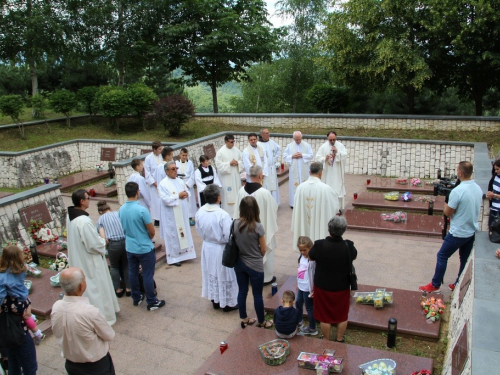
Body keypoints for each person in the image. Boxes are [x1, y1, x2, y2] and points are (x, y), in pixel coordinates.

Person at [419, 161, 483, 293]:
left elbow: (448, 212)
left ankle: (435, 284)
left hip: (458, 232)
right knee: (464, 259)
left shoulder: (458, 191)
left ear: (460, 172)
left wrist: (444, 203)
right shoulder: (477, 188)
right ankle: (458, 282)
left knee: (442, 255)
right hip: (471, 231)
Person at [67, 189, 119, 325]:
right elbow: (93, 244)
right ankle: (104, 317)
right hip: (90, 262)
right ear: (82, 201)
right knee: (97, 288)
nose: (90, 199)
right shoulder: (83, 221)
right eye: (87, 198)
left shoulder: (70, 216)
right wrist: (103, 240)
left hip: (80, 258)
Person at [51, 267, 116, 375]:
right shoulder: (90, 312)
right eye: (84, 280)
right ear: (81, 286)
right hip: (96, 367)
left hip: (71, 365)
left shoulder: (56, 307)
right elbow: (109, 335)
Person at [308, 216, 357, 342]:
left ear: (329, 229)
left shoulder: (319, 245)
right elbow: (354, 256)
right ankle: (339, 339)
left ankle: (326, 339)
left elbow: (311, 256)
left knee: (325, 316)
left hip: (323, 286)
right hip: (342, 286)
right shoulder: (348, 246)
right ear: (344, 230)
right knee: (342, 315)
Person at [119, 182, 165, 311]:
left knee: (133, 273)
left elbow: (123, 227)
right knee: (147, 275)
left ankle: (136, 296)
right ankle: (151, 301)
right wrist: (148, 239)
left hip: (130, 246)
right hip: (144, 247)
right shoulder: (141, 210)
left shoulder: (121, 209)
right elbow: (151, 231)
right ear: (137, 192)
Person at [195, 184, 238, 312]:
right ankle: (227, 303)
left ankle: (215, 300)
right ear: (219, 198)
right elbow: (228, 235)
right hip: (220, 249)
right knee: (224, 274)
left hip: (207, 247)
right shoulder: (222, 215)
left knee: (212, 273)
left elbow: (198, 230)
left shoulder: (200, 211)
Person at [233, 165, 278, 285]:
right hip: (260, 231)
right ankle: (265, 277)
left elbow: (236, 211)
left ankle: (247, 274)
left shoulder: (241, 191)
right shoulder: (265, 193)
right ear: (260, 176)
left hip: (244, 231)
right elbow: (274, 209)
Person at [233, 196, 273, 329]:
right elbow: (263, 248)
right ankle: (261, 321)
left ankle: (244, 318)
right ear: (256, 209)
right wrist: (258, 255)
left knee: (242, 292)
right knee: (257, 295)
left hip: (239, 263)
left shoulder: (234, 223)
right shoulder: (258, 227)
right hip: (255, 264)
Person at [0, 247, 37, 374]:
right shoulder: (20, 271)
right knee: (30, 366)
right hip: (18, 330)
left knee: (13, 363)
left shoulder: (2, 277)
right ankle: (37, 333)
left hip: (8, 330)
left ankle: (37, 332)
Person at [0, 245, 45, 345]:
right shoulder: (21, 269)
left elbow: (1, 294)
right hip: (23, 298)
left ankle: (37, 333)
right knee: (27, 313)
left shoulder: (3, 277)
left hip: (15, 301)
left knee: (25, 316)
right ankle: (33, 318)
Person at [291, 162, 339, 253]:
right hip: (319, 227)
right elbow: (335, 208)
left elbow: (296, 208)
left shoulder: (300, 188)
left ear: (309, 172)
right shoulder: (326, 189)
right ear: (321, 173)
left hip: (303, 227)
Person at [159, 161, 196, 266]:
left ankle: (186, 254)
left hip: (182, 214)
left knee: (184, 232)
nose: (176, 171)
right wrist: (178, 196)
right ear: (166, 172)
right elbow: (165, 199)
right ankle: (175, 257)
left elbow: (186, 191)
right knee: (174, 234)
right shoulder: (163, 184)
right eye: (173, 169)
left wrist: (185, 194)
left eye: (176, 168)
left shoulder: (180, 181)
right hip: (172, 215)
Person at [96, 200, 130, 298]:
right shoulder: (118, 213)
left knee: (114, 267)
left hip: (113, 245)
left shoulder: (100, 220)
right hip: (125, 242)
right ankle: (129, 288)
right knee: (126, 265)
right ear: (109, 208)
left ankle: (118, 290)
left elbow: (104, 238)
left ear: (100, 212)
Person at [316, 131, 348, 210]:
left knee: (337, 188)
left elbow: (344, 155)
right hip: (328, 173)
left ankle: (337, 208)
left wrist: (337, 153)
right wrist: (325, 158)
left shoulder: (340, 146)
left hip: (337, 172)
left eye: (334, 139)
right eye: (331, 140)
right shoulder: (323, 147)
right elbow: (317, 157)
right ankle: (327, 207)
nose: (333, 141)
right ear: (327, 138)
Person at [283, 131, 313, 208]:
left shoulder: (306, 145)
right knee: (294, 186)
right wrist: (292, 156)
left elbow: (311, 155)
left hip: (304, 170)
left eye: (299, 139)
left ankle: (305, 203)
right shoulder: (289, 146)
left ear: (301, 138)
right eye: (296, 139)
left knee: (305, 185)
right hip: (294, 171)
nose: (298, 141)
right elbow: (285, 156)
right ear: (293, 138)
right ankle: (294, 204)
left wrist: (302, 155)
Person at [215, 134, 243, 216]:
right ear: (226, 142)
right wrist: (229, 164)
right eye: (231, 142)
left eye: (233, 141)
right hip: (226, 179)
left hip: (236, 178)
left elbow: (242, 161)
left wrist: (238, 163)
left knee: (237, 195)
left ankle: (238, 213)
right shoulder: (220, 152)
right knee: (228, 197)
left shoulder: (237, 150)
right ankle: (227, 215)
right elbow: (218, 165)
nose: (233, 143)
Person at [295, 236, 317, 336]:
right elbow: (300, 271)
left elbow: (314, 274)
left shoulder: (312, 260)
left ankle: (312, 327)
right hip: (301, 286)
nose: (303, 252)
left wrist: (313, 289)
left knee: (309, 307)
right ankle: (299, 321)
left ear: (310, 248)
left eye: (305, 250)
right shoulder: (301, 257)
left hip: (308, 288)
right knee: (298, 303)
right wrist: (298, 283)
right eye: (301, 250)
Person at [258, 128, 281, 204]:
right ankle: (267, 203)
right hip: (265, 169)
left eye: (268, 133)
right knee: (266, 185)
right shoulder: (258, 145)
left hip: (272, 168)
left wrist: (275, 159)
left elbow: (278, 149)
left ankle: (274, 202)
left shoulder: (272, 142)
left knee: (273, 185)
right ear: (262, 135)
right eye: (266, 133)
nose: (268, 135)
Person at [176, 148, 197, 225]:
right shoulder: (176, 163)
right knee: (181, 201)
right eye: (183, 155)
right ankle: (182, 217)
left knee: (189, 201)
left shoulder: (190, 163)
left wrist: (188, 184)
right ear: (180, 155)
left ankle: (190, 217)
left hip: (188, 184)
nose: (184, 157)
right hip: (180, 183)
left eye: (186, 155)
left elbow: (192, 174)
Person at [144, 141, 163, 226]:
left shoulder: (162, 156)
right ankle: (157, 219)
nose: (160, 150)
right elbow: (147, 173)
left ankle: (163, 217)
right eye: (159, 149)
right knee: (155, 202)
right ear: (154, 149)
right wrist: (154, 183)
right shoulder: (148, 158)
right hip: (154, 184)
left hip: (162, 182)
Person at [486, 159, 500, 230]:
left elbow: (495, 194)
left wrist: (494, 195)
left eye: (497, 169)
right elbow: (491, 189)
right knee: (491, 228)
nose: (496, 171)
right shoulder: (495, 177)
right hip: (493, 207)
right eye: (495, 169)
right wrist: (489, 194)